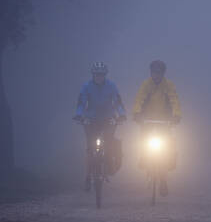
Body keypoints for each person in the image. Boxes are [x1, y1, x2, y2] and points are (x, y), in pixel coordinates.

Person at [74, 62, 126, 191]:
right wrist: (79, 115)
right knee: (90, 149)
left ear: (105, 75)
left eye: (101, 75)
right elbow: (81, 103)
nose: (99, 77)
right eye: (97, 74)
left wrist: (122, 114)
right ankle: (87, 177)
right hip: (91, 120)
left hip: (108, 119)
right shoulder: (86, 87)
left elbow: (118, 102)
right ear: (93, 75)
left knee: (108, 144)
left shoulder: (111, 86)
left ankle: (108, 166)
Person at [132, 60, 181, 196]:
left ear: (163, 73)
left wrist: (176, 115)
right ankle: (144, 157)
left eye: (159, 73)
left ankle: (164, 179)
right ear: (151, 73)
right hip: (147, 120)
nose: (156, 75)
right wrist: (136, 112)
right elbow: (139, 99)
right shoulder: (146, 84)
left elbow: (174, 100)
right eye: (154, 72)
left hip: (164, 120)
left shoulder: (168, 85)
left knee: (167, 146)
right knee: (144, 139)